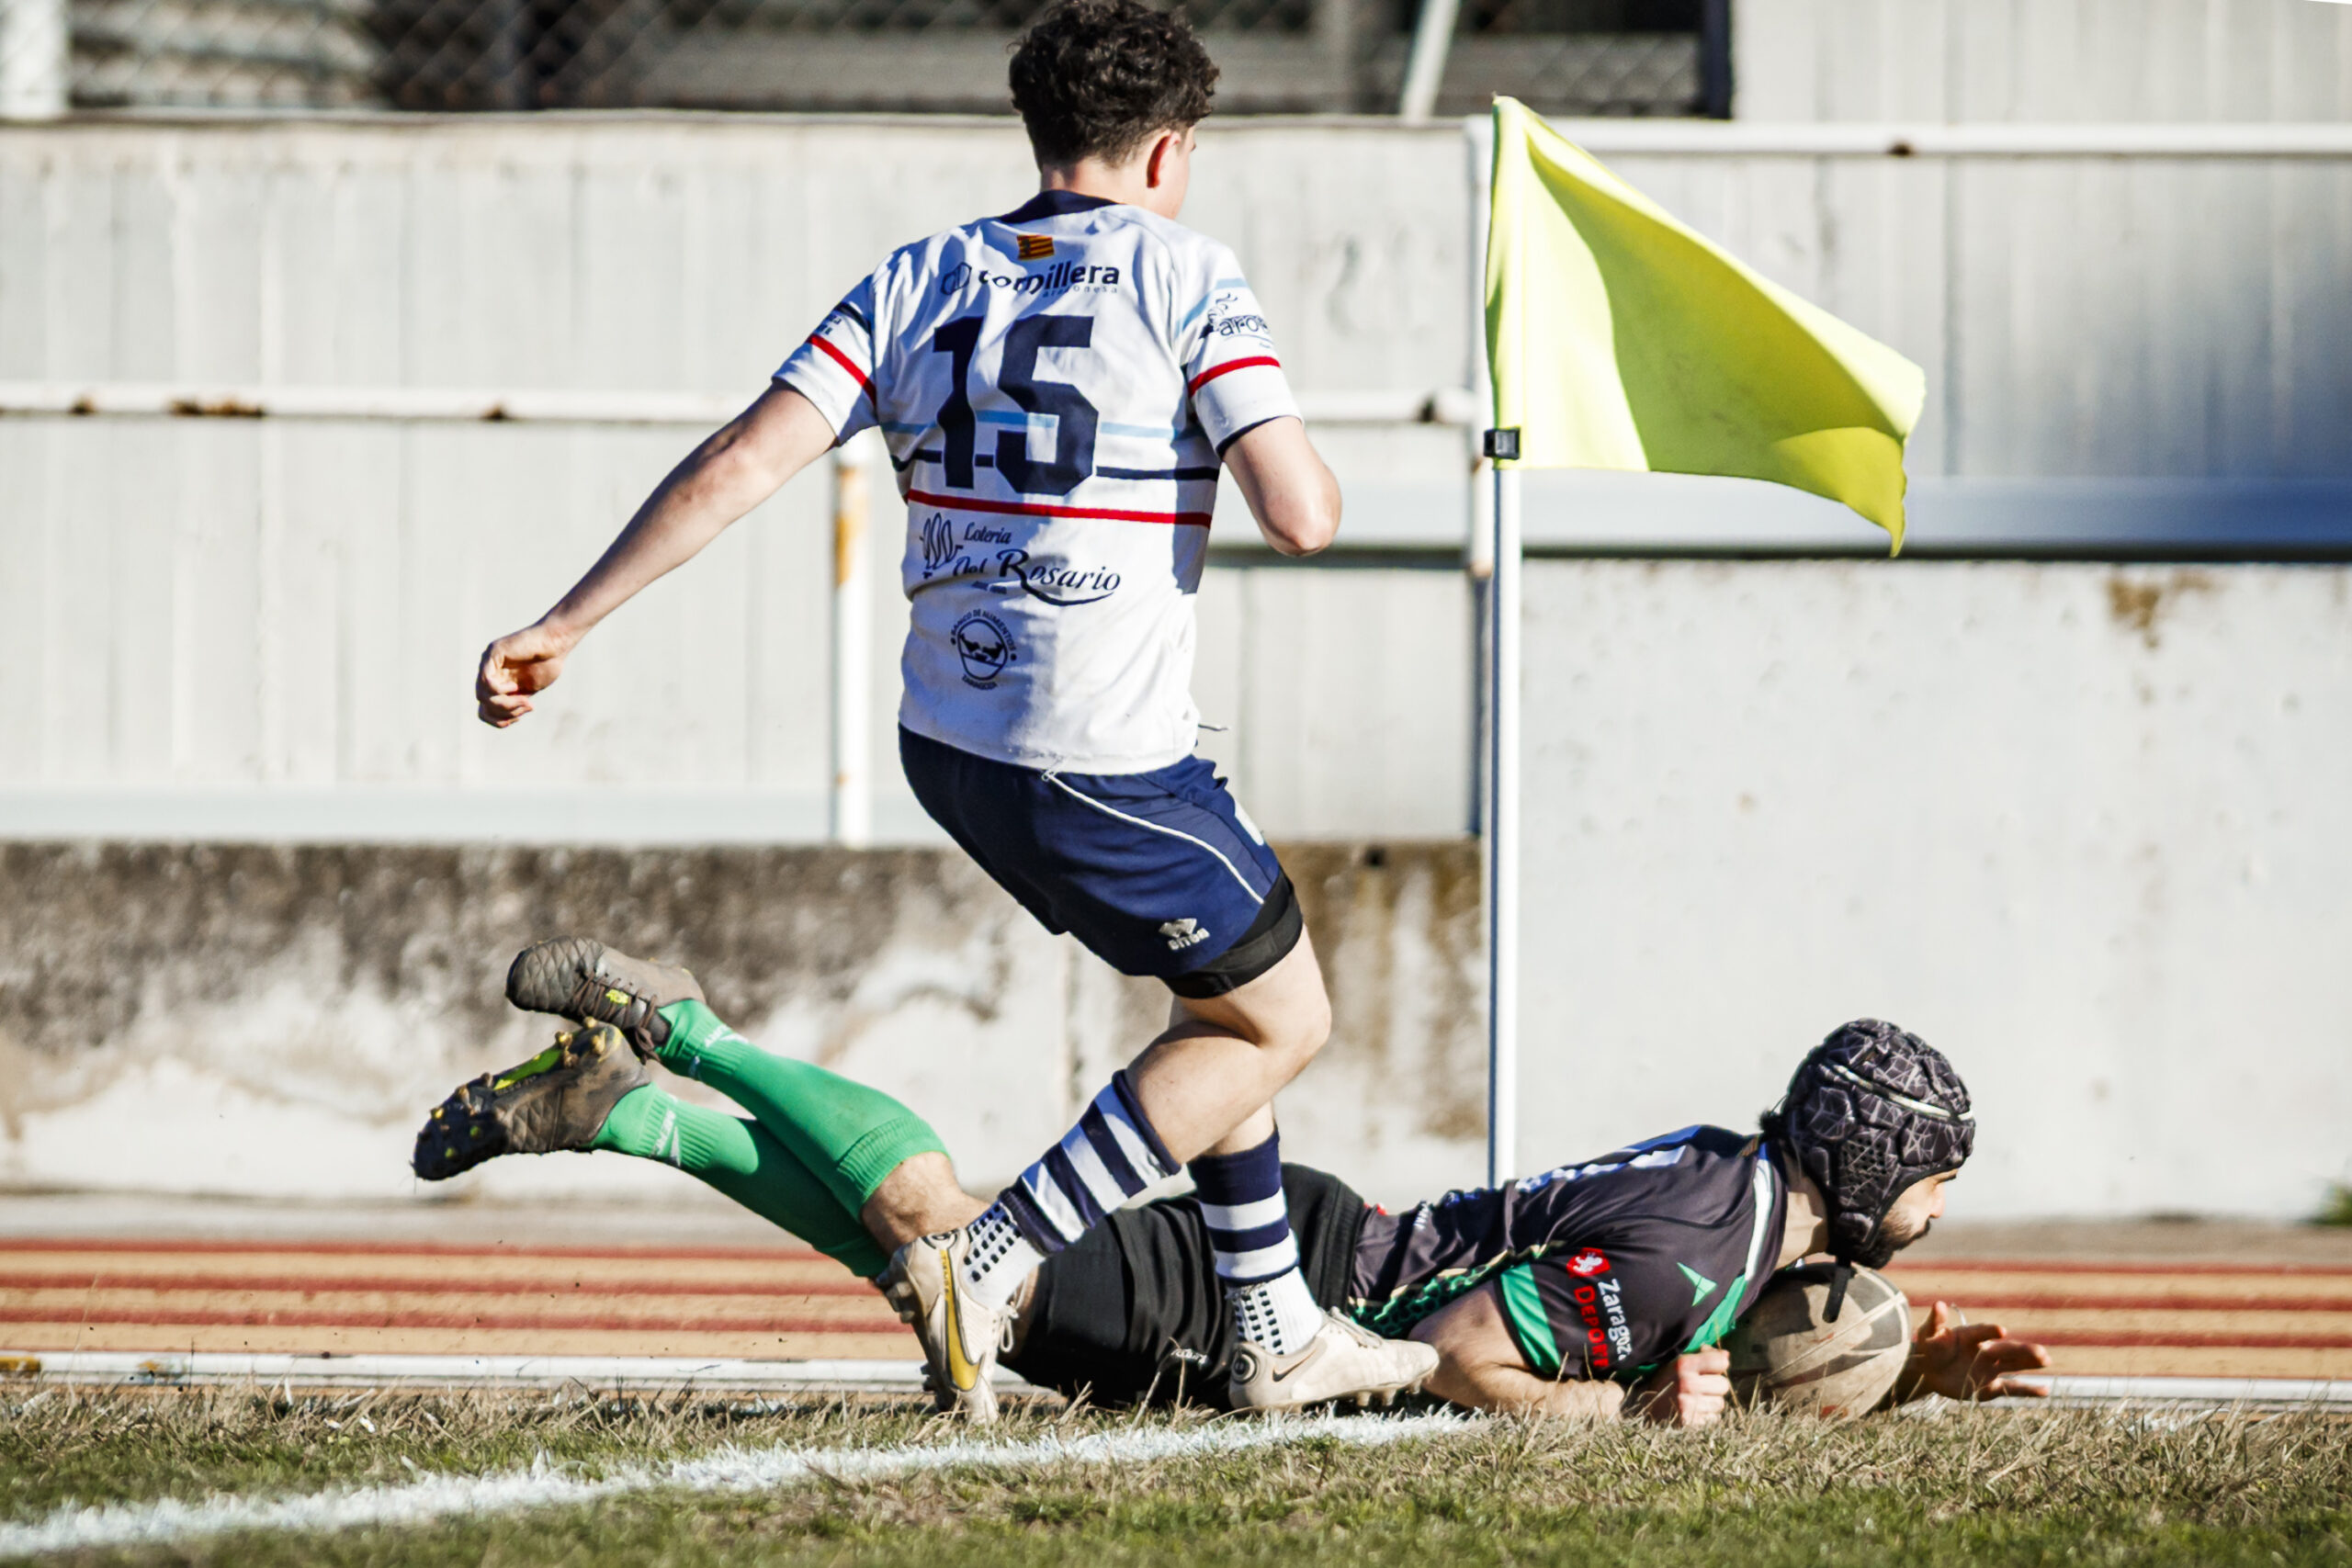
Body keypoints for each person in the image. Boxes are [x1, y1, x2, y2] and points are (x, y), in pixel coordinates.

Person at [463, 0, 1433, 1420]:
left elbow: (743, 459)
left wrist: (565, 622)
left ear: (1039, 132)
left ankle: (1276, 1324)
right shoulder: (1188, 273)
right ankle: (990, 1254)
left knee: (1220, 990)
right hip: (1101, 757)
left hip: (951, 747)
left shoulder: (921, 273)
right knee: (1278, 1021)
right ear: (1171, 150)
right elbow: (1303, 516)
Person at [414, 946, 2049, 1423]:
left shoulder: (1736, 1193)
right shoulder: (1705, 1248)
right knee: (944, 1239)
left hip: (1325, 1243)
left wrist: (1898, 1373)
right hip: (1298, 1295)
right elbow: (1470, 1350)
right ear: (1879, 1170)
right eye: (1939, 1179)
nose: (1939, 1212)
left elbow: (1706, 1322)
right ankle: (686, 1034)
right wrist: (1624, 1422)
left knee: (929, 1267)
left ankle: (623, 1113)